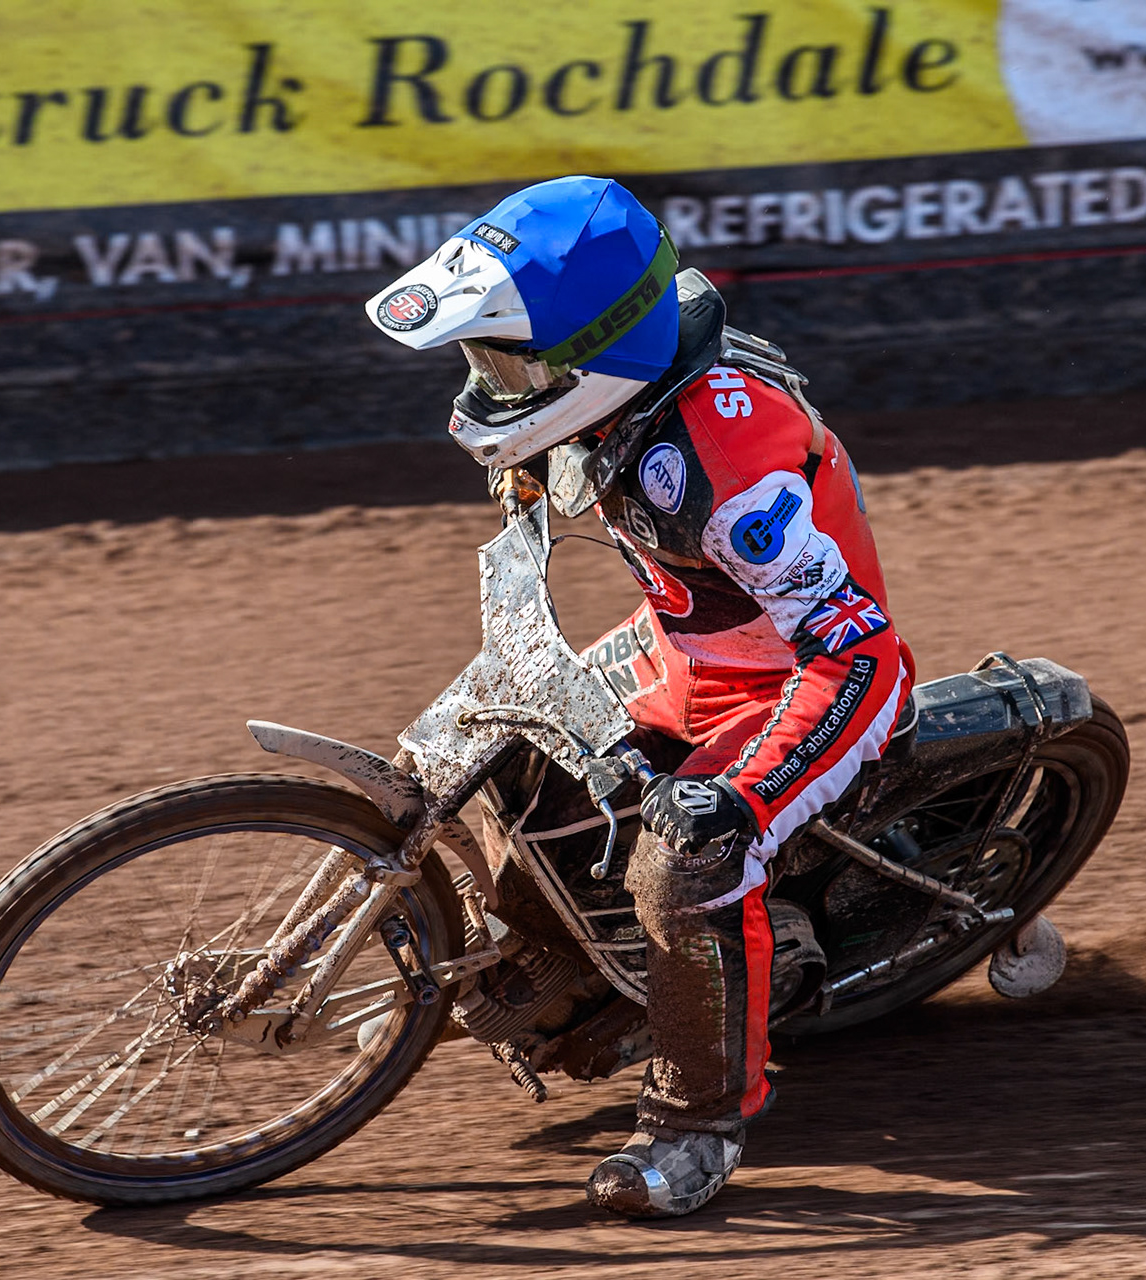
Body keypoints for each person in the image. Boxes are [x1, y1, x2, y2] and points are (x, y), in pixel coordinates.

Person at [365, 175, 915, 1218]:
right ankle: (559, 963)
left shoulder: (731, 471)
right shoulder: (624, 387)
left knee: (683, 864)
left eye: (512, 363)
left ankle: (696, 1124)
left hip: (799, 679)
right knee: (482, 745)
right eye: (484, 360)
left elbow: (861, 653)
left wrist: (742, 799)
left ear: (600, 354)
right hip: (685, 647)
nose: (494, 384)